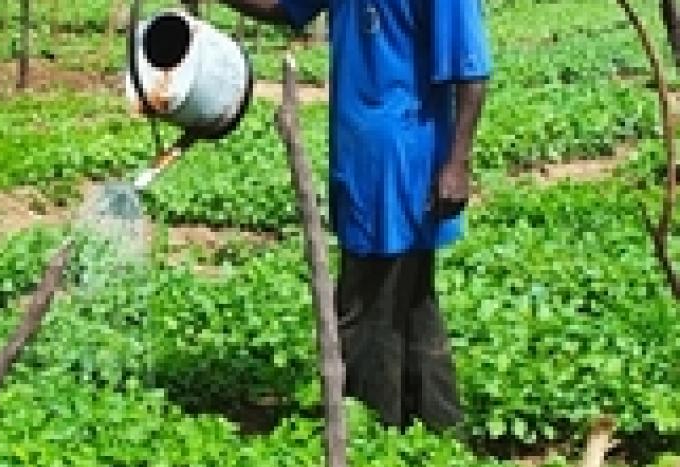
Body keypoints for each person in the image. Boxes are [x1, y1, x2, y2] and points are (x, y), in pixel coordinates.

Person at [210, 0, 492, 431]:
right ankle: (437, 427)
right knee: (411, 300)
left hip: (402, 154)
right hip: (361, 155)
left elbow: (471, 69)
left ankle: (370, 433)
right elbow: (287, 8)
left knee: (367, 305)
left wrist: (458, 163)